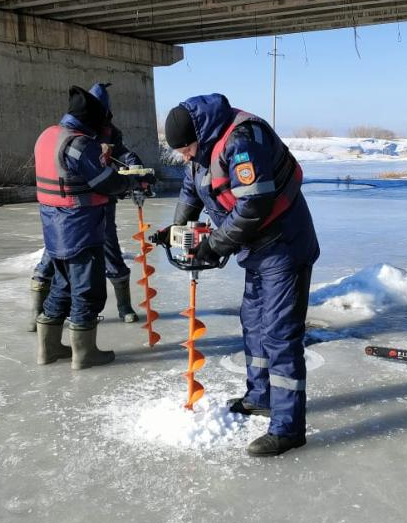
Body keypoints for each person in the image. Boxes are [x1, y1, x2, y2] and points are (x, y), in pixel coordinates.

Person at [154, 94, 319, 456]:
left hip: (283, 246)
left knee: (279, 334)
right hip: (255, 249)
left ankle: (289, 427)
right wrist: (177, 229)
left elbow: (254, 205)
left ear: (200, 134)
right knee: (254, 324)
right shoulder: (201, 148)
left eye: (185, 149)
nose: (184, 157)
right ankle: (261, 397)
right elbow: (190, 188)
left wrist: (214, 244)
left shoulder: (242, 141)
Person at [28, 85, 150, 330]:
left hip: (85, 207)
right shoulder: (76, 140)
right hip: (79, 210)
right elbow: (105, 180)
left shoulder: (103, 132)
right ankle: (40, 314)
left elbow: (123, 154)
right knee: (68, 271)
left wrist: (135, 167)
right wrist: (129, 182)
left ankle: (123, 306)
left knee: (105, 250)